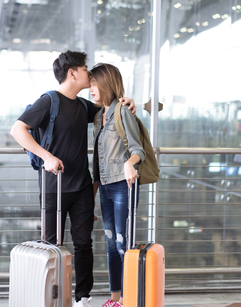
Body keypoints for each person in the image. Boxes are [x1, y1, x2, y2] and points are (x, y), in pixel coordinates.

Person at [10, 51, 136, 307]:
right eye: (86, 69)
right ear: (72, 73)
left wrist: (128, 102)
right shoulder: (49, 101)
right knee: (51, 245)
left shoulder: (83, 106)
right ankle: (49, 297)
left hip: (81, 188)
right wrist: (46, 157)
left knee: (83, 245)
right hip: (53, 188)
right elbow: (17, 129)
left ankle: (83, 298)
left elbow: (109, 109)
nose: (89, 74)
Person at [90, 63, 145, 307]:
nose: (90, 89)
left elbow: (138, 150)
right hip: (105, 188)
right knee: (111, 245)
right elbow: (95, 162)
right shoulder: (97, 117)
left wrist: (129, 164)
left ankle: (127, 298)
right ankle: (115, 299)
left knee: (123, 244)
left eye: (94, 84)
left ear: (105, 83)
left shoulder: (122, 111)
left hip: (124, 186)